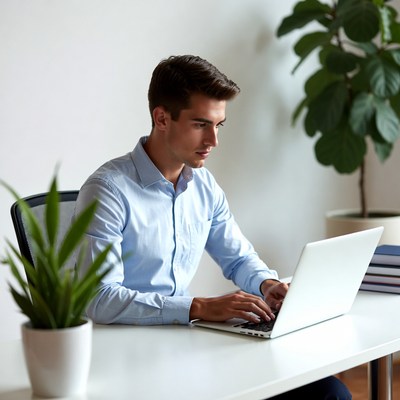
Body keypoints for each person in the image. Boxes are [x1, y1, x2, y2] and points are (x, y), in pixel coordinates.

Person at [75, 55, 351, 400]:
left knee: (329, 393)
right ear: (162, 118)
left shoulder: (203, 186)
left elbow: (237, 258)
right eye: (200, 124)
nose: (213, 140)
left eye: (218, 125)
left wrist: (266, 284)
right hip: (126, 362)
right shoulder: (108, 190)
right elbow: (98, 298)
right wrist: (199, 308)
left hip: (186, 346)